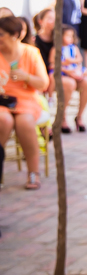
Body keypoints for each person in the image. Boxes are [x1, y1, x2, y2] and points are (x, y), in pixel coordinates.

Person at [0, 15, 50, 190]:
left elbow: (44, 84)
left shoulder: (30, 52)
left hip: (25, 98)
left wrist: (26, 76)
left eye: (1, 35)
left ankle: (33, 172)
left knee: (25, 122)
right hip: (2, 100)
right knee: (3, 120)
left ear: (15, 35)